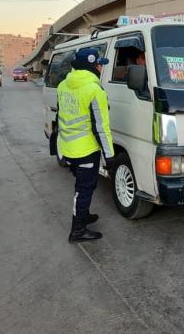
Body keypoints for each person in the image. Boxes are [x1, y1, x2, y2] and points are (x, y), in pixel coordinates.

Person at [57, 48, 114, 243]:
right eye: (99, 64)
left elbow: (62, 115)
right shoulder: (94, 90)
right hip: (85, 149)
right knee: (84, 189)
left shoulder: (63, 85)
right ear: (91, 65)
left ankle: (84, 214)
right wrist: (110, 157)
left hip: (68, 146)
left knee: (84, 186)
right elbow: (102, 128)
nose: (100, 67)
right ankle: (78, 230)